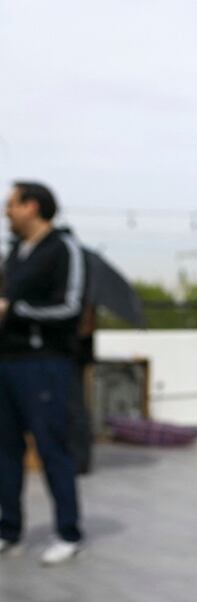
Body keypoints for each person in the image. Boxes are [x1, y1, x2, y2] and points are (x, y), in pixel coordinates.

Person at [0, 181, 86, 564]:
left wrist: (13, 311)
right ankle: (9, 529)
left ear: (32, 207)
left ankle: (68, 532)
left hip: (45, 364)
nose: (6, 211)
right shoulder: (16, 253)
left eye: (11, 204)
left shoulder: (63, 248)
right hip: (8, 363)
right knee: (5, 450)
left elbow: (70, 308)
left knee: (52, 448)